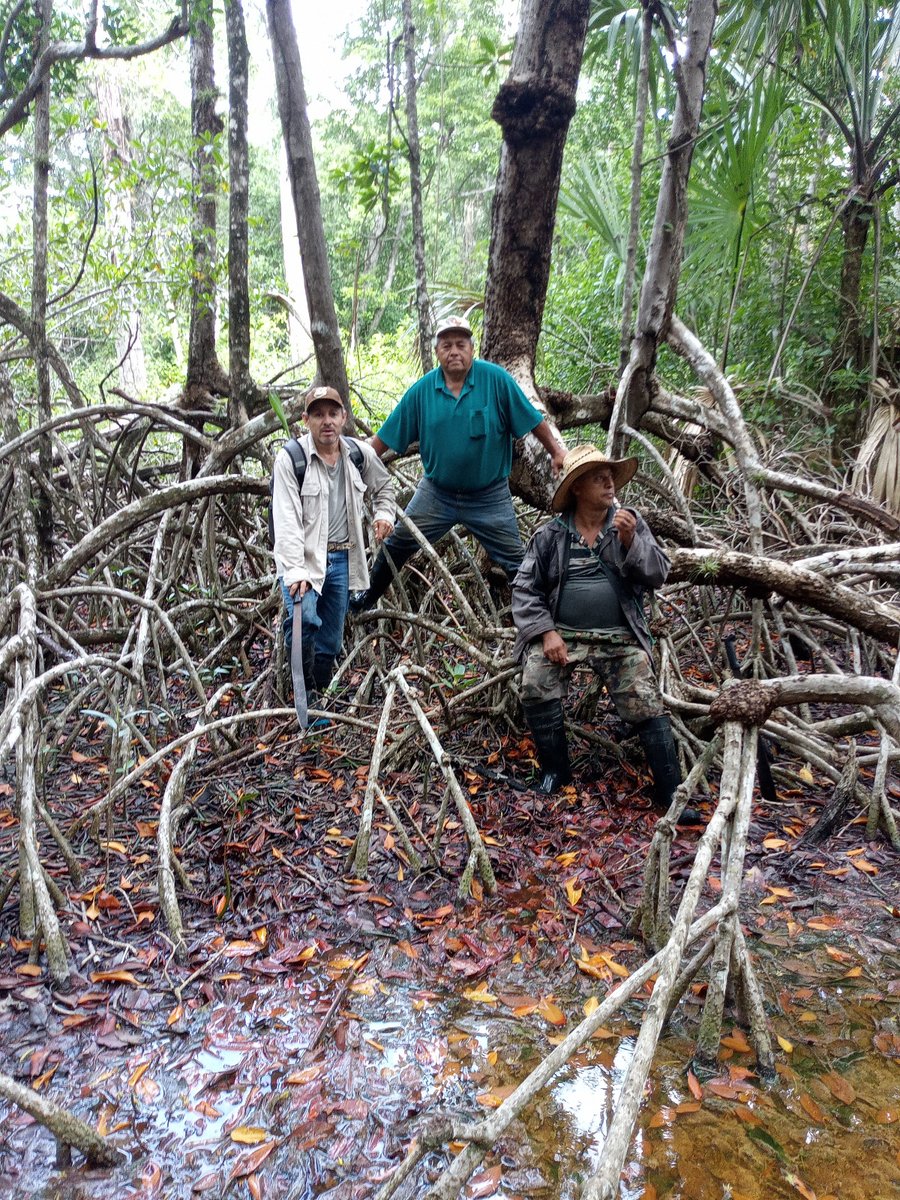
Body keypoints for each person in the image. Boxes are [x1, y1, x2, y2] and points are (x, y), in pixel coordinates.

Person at [348, 316, 567, 611]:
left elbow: (532, 419)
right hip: (437, 493)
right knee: (398, 543)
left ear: (472, 349)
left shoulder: (496, 380)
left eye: (461, 345)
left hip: (489, 495)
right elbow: (384, 438)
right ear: (437, 351)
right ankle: (366, 598)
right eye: (447, 345)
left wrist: (556, 452)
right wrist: (353, 461)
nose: (454, 351)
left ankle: (541, 616)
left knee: (517, 560)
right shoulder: (422, 391)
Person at [511, 444, 684, 812]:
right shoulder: (550, 536)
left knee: (644, 695)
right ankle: (556, 773)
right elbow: (525, 589)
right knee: (534, 682)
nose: (610, 484)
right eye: (599, 478)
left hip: (620, 638)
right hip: (564, 635)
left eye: (611, 478)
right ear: (577, 487)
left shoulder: (628, 523)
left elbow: (658, 573)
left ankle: (671, 791)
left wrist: (630, 541)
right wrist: (546, 632)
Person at [272, 385, 395, 697]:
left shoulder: (358, 453)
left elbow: (384, 487)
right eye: (318, 415)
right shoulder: (292, 459)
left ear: (343, 417)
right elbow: (285, 518)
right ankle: (300, 691)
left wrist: (384, 514)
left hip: (342, 558)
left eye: (332, 414)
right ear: (305, 420)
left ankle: (320, 690)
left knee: (331, 637)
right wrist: (295, 570)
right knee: (306, 621)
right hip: (304, 560)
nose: (326, 421)